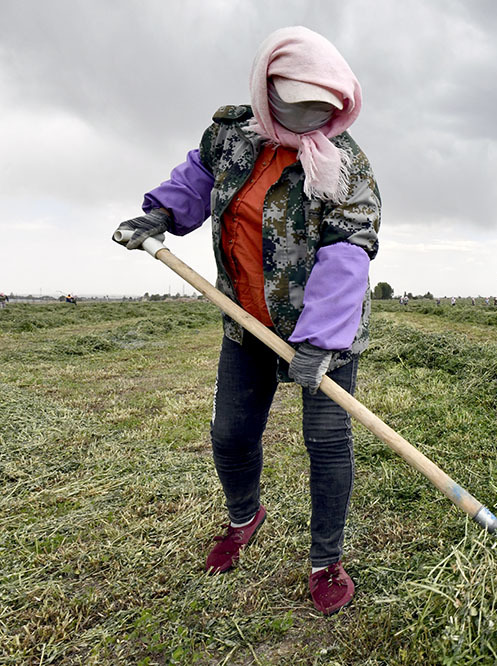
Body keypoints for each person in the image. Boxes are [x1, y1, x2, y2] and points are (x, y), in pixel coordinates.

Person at [112, 27, 376, 616]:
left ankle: (325, 558)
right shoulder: (231, 136)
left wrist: (318, 341)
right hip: (247, 321)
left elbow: (349, 250)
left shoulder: (347, 165)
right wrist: (158, 215)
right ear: (266, 87)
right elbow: (196, 179)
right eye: (295, 102)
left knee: (327, 442)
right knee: (231, 432)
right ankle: (243, 516)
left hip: (323, 334)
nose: (309, 118)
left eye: (322, 108)